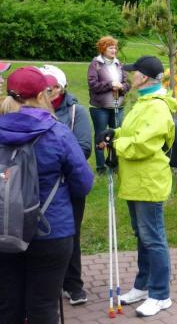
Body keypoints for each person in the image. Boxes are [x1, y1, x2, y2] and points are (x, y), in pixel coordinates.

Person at [0, 66, 94, 323]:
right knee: (43, 306)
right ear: (43, 94)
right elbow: (84, 183)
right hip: (51, 228)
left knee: (7, 305)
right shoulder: (57, 132)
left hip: (4, 226)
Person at [97, 55, 176, 317]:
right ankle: (143, 286)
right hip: (136, 181)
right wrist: (114, 134)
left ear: (143, 77)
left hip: (148, 181)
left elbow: (143, 144)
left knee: (153, 238)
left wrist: (117, 145)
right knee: (143, 236)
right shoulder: (143, 102)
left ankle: (160, 294)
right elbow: (133, 133)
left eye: (133, 73)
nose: (129, 76)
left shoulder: (157, 106)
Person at [39, 65, 93, 306]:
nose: (47, 92)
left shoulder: (75, 112)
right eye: (43, 87)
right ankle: (45, 283)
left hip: (68, 183)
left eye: (51, 87)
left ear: (61, 87)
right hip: (39, 185)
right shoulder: (30, 110)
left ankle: (72, 284)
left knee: (70, 234)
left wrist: (54, 161)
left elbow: (83, 148)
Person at [88, 36, 129, 174]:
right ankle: (101, 167)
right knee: (101, 136)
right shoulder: (96, 64)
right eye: (110, 47)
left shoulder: (119, 64)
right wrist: (110, 84)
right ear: (103, 49)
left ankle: (114, 163)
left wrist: (121, 87)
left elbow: (127, 84)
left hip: (118, 106)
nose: (114, 50)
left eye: (115, 47)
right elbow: (93, 85)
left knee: (116, 135)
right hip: (100, 107)